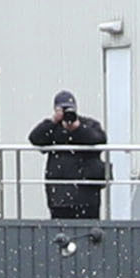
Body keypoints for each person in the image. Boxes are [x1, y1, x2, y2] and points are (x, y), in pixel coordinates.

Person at [28, 91, 108, 222]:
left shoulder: (88, 124)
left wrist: (78, 128)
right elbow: (34, 138)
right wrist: (54, 121)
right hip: (60, 197)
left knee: (90, 232)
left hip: (87, 195)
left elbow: (99, 139)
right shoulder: (52, 128)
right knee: (60, 234)